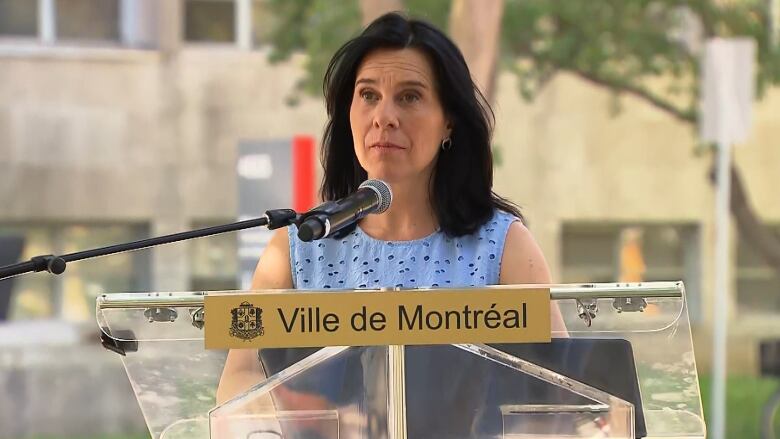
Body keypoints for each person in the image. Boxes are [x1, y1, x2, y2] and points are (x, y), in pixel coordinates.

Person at [216, 10, 567, 425]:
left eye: (410, 96)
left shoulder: (503, 245)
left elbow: (562, 392)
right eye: (368, 95)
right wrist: (294, 417)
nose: (384, 116)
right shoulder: (297, 249)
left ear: (448, 122)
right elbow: (240, 379)